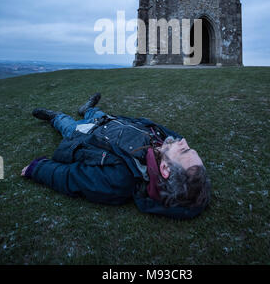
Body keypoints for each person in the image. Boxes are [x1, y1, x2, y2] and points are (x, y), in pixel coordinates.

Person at [21, 92, 211, 219]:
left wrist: (37, 168)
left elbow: (72, 177)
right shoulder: (165, 145)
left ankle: (55, 117)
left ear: (165, 169)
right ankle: (87, 108)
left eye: (184, 150)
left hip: (84, 135)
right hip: (108, 121)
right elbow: (165, 133)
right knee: (95, 112)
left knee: (66, 123)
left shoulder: (120, 180)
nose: (183, 141)